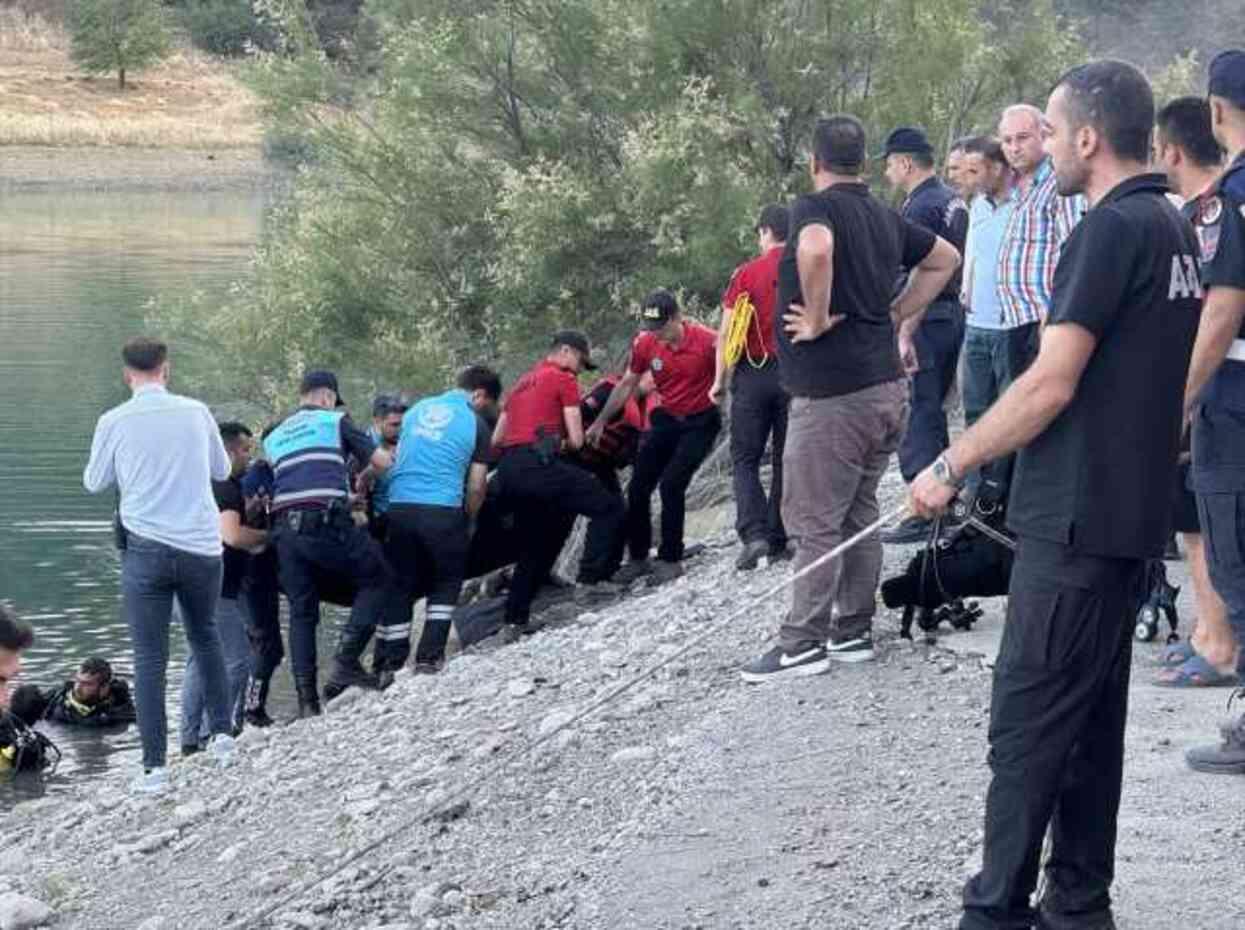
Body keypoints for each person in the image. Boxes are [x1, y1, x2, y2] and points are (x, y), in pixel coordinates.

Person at [910, 60, 1202, 929]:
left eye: (1048, 126)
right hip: (1121, 517)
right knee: (1085, 721)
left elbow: (1049, 382)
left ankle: (993, 910)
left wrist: (947, 465)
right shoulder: (1173, 225)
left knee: (1029, 720)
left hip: (1075, 520)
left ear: (1085, 136)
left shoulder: (1109, 231)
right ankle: (1077, 905)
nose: (1036, 144)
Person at [739, 114, 959, 682]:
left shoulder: (813, 209)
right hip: (885, 388)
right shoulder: (885, 215)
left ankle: (802, 643)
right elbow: (946, 260)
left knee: (814, 519)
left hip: (832, 395)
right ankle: (852, 629)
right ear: (863, 162)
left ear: (815, 163)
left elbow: (813, 249)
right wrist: (898, 313)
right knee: (858, 512)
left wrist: (814, 316)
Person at [83, 337, 236, 794]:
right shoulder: (196, 411)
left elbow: (95, 482)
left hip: (146, 550)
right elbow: (223, 471)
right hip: (201, 547)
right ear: (166, 370)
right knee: (205, 636)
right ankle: (224, 740)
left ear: (127, 374)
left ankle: (155, 769)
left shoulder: (113, 420)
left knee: (150, 657)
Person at [1151, 96, 1238, 688]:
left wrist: (1177, 396)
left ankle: (1222, 643)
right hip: (1211, 387)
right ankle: (1212, 633)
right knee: (1199, 520)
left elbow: (1221, 310)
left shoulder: (1221, 207)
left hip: (1223, 389)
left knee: (1224, 531)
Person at [1182, 51, 1245, 774]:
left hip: (1234, 406)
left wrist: (1178, 401)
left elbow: (1223, 304)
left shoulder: (1229, 195)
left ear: (1214, 112)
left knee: (1234, 558)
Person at [264, 369, 393, 714]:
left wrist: (341, 496)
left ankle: (307, 703)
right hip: (325, 523)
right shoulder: (334, 420)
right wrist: (364, 480)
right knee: (378, 577)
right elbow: (383, 462)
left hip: (284, 532)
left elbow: (298, 484)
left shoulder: (275, 435)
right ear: (327, 397)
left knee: (302, 611)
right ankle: (346, 661)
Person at [494, 332, 625, 640]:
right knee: (610, 508)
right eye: (580, 361)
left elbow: (497, 439)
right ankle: (590, 583)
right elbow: (579, 441)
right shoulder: (562, 379)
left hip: (509, 470)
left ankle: (515, 621)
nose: (579, 370)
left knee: (538, 542)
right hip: (538, 464)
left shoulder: (520, 384)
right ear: (565, 352)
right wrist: (563, 443)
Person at [587, 291, 721, 585]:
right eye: (651, 328)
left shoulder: (708, 341)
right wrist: (600, 421)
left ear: (676, 318)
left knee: (672, 484)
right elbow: (626, 385)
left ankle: (671, 558)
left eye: (660, 326)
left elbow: (730, 375)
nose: (656, 334)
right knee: (637, 488)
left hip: (700, 421)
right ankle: (638, 557)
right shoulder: (646, 342)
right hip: (667, 418)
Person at [878, 127, 969, 545]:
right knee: (932, 409)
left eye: (889, 163)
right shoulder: (951, 199)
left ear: (905, 162)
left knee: (919, 411)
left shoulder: (920, 208)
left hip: (928, 318)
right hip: (952, 315)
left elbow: (923, 272)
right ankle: (946, 497)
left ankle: (926, 506)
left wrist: (905, 328)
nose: (887, 172)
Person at [379, 366, 501, 674]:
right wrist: (470, 519)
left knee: (401, 583)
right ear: (478, 394)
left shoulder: (416, 410)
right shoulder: (475, 423)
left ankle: (390, 663)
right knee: (446, 581)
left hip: (400, 507)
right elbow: (476, 485)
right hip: (443, 510)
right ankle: (428, 658)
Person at [710, 204, 793, 570]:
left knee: (744, 458)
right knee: (784, 457)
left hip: (753, 373)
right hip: (797, 373)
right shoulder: (807, 266)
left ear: (765, 231)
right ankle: (778, 536)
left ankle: (753, 534)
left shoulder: (745, 274)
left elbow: (727, 333)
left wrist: (719, 382)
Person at [179, 422, 266, 750]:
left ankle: (189, 740)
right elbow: (231, 536)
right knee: (237, 659)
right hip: (214, 590)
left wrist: (248, 514)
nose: (249, 457)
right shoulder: (225, 486)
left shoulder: (197, 483)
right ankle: (215, 731)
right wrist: (268, 536)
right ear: (227, 451)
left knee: (198, 661)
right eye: (245, 450)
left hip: (185, 582)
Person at [957, 135, 1032, 503]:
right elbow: (972, 252)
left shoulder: (1024, 204)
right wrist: (966, 290)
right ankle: (974, 496)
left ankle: (1002, 498)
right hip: (976, 324)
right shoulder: (977, 207)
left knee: (1008, 414)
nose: (967, 177)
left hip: (1010, 325)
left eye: (975, 169)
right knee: (975, 410)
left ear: (998, 168)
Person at [575, 370, 660, 584]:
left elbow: (629, 452)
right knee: (607, 510)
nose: (656, 382)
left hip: (601, 464)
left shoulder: (643, 409)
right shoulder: (609, 390)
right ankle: (589, 577)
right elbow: (578, 412)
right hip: (577, 458)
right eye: (653, 375)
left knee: (619, 512)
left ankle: (607, 571)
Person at [44, 657, 137, 727]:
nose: (78, 687)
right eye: (77, 680)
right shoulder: (58, 697)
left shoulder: (122, 713)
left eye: (87, 684)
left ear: (104, 688)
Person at [366, 394, 406, 541]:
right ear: (377, 421)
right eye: (394, 425)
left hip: (401, 518)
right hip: (374, 525)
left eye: (403, 424)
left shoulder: (403, 442)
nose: (401, 430)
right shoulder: (362, 446)